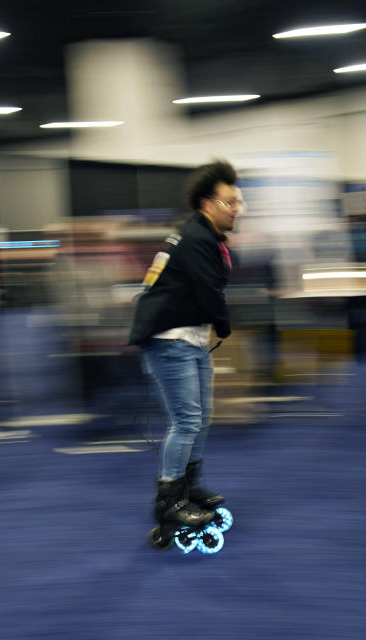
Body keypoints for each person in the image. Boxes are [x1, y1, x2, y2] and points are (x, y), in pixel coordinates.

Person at [129, 159, 242, 531]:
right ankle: (169, 500)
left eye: (239, 202)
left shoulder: (200, 236)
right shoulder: (196, 238)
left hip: (187, 336)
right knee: (186, 420)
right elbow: (210, 292)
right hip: (169, 340)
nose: (236, 209)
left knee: (200, 417)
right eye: (230, 202)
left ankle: (189, 487)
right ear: (208, 204)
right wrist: (224, 325)